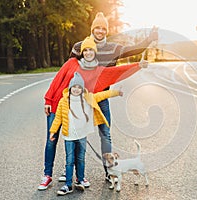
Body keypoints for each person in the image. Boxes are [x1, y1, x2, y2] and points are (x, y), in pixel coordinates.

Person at [38, 36, 148, 190]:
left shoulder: (96, 71)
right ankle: (47, 175)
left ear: (95, 53)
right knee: (51, 140)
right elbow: (57, 80)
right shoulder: (71, 63)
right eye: (86, 50)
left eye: (91, 50)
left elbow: (116, 72)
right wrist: (48, 100)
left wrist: (138, 66)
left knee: (75, 143)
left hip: (74, 113)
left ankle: (78, 176)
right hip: (57, 105)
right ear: (82, 52)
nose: (88, 53)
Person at [70, 12, 158, 181]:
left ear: (107, 31)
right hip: (82, 99)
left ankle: (109, 172)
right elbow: (69, 71)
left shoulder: (113, 48)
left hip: (102, 98)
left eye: (103, 28)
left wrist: (148, 40)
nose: (100, 31)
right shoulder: (79, 46)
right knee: (78, 135)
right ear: (92, 29)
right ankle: (75, 174)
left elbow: (133, 49)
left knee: (105, 134)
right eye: (97, 28)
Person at [49, 72, 123, 196]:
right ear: (70, 88)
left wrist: (116, 92)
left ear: (82, 89)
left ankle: (80, 179)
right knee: (69, 160)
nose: (76, 90)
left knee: (81, 159)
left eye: (79, 87)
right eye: (74, 87)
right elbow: (58, 119)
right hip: (69, 136)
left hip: (82, 135)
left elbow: (103, 94)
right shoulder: (64, 101)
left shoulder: (88, 98)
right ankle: (68, 184)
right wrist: (53, 131)